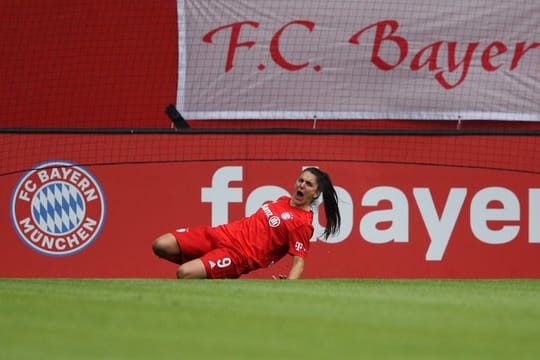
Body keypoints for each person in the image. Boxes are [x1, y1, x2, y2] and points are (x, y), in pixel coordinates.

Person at [152, 167, 341, 279]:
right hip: (221, 234)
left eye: (308, 184)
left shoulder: (302, 224)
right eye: (301, 180)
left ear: (316, 193)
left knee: (183, 273)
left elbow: (299, 262)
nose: (302, 185)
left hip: (238, 255)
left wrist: (289, 287)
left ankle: (219, 271)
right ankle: (212, 272)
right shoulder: (282, 200)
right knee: (160, 245)